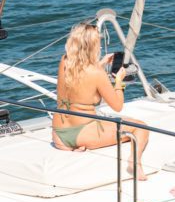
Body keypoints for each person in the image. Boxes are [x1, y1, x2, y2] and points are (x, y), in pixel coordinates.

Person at [52, 21, 149, 180]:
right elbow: (117, 106)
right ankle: (135, 162)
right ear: (92, 46)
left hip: (58, 134)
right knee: (140, 127)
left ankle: (77, 145)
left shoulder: (64, 61)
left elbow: (80, 73)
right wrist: (119, 81)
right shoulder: (97, 73)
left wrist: (102, 63)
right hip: (84, 132)